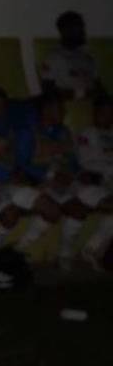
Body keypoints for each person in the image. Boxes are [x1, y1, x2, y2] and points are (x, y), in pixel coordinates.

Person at [0, 86, 61, 253]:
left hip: (10, 184)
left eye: (2, 108)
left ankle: (18, 250)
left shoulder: (11, 131)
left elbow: (22, 163)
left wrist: (40, 176)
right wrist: (8, 174)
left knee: (52, 209)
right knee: (11, 213)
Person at [17, 92, 87, 268]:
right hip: (39, 182)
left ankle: (65, 253)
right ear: (47, 110)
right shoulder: (28, 132)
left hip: (63, 182)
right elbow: (22, 164)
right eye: (60, 109)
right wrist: (49, 175)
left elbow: (73, 161)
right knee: (52, 210)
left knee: (79, 209)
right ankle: (18, 250)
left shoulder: (63, 132)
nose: (64, 112)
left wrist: (73, 173)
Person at [74, 95, 113, 268]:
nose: (106, 116)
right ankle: (91, 250)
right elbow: (85, 162)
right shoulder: (87, 133)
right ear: (95, 113)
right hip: (92, 182)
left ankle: (94, 250)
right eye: (102, 112)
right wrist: (108, 170)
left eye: (109, 112)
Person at [40, 10, 99, 99]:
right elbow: (48, 88)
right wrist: (80, 95)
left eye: (82, 28)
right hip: (68, 101)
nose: (83, 33)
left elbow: (97, 83)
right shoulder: (54, 57)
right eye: (78, 29)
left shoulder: (87, 57)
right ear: (66, 31)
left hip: (94, 102)